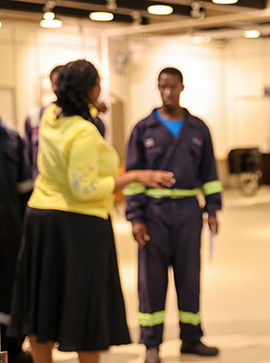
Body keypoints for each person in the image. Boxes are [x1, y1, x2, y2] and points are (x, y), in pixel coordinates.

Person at [9, 59, 175, 363]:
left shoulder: (49, 117)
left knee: (42, 304)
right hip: (78, 227)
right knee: (85, 307)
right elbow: (83, 188)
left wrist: (94, 105)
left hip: (40, 221)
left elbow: (71, 108)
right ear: (92, 89)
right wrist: (135, 176)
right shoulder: (84, 133)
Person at [124, 67, 222, 363]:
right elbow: (133, 176)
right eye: (162, 87)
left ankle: (191, 338)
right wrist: (136, 217)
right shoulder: (143, 129)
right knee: (151, 281)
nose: (168, 92)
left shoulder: (198, 128)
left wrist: (213, 208)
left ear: (182, 87)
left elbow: (210, 174)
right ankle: (151, 344)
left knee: (189, 277)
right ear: (158, 88)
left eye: (173, 87)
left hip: (188, 214)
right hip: (154, 214)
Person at [24, 65, 106, 182]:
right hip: (54, 188)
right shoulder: (42, 116)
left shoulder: (93, 121)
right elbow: (28, 156)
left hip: (73, 186)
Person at [0, 117, 33, 363]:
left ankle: (12, 348)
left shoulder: (12, 139)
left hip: (9, 234)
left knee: (9, 293)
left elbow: (25, 190)